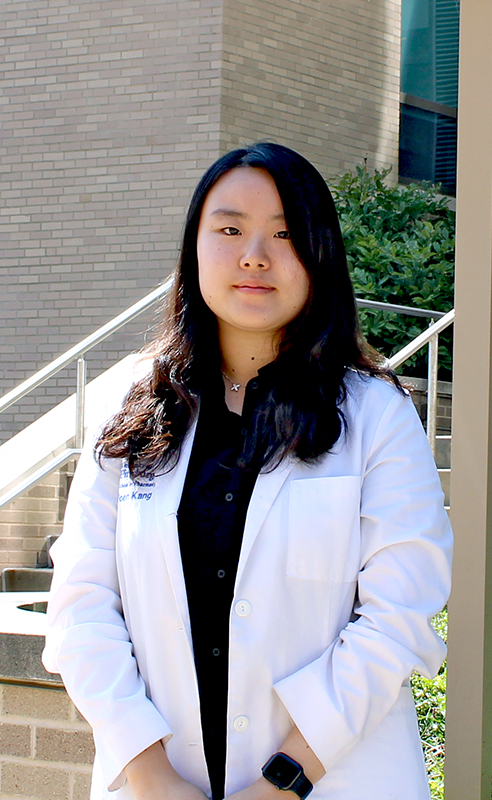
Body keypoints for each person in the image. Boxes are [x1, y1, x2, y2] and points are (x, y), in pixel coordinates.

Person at [42, 142, 453, 800]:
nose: (254, 255)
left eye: (284, 234)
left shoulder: (377, 415)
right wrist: (150, 776)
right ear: (195, 248)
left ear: (319, 255)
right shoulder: (135, 408)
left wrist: (284, 784)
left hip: (332, 783)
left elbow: (398, 618)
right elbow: (81, 608)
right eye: (229, 230)